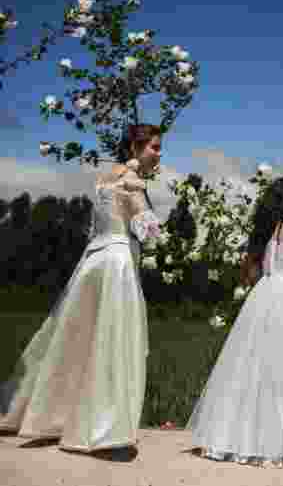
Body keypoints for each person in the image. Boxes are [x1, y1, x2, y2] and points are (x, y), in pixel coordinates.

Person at [0, 124, 164, 461]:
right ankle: (104, 426)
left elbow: (97, 225)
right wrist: (153, 219)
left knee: (74, 337)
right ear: (135, 147)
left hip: (93, 260)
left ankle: (46, 414)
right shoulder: (132, 180)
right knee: (113, 340)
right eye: (155, 148)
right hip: (117, 262)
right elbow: (148, 232)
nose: (158, 155)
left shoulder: (104, 177)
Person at [187, 172, 283, 467]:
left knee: (253, 365)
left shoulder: (270, 228)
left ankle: (240, 437)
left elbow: (253, 268)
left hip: (264, 294)